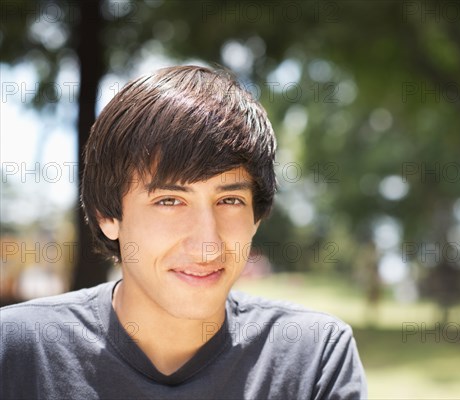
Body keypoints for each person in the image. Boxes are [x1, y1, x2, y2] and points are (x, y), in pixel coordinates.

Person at [0, 66, 367, 399]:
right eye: (170, 201)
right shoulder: (18, 351)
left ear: (257, 215)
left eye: (230, 201)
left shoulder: (313, 356)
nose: (207, 244)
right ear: (106, 215)